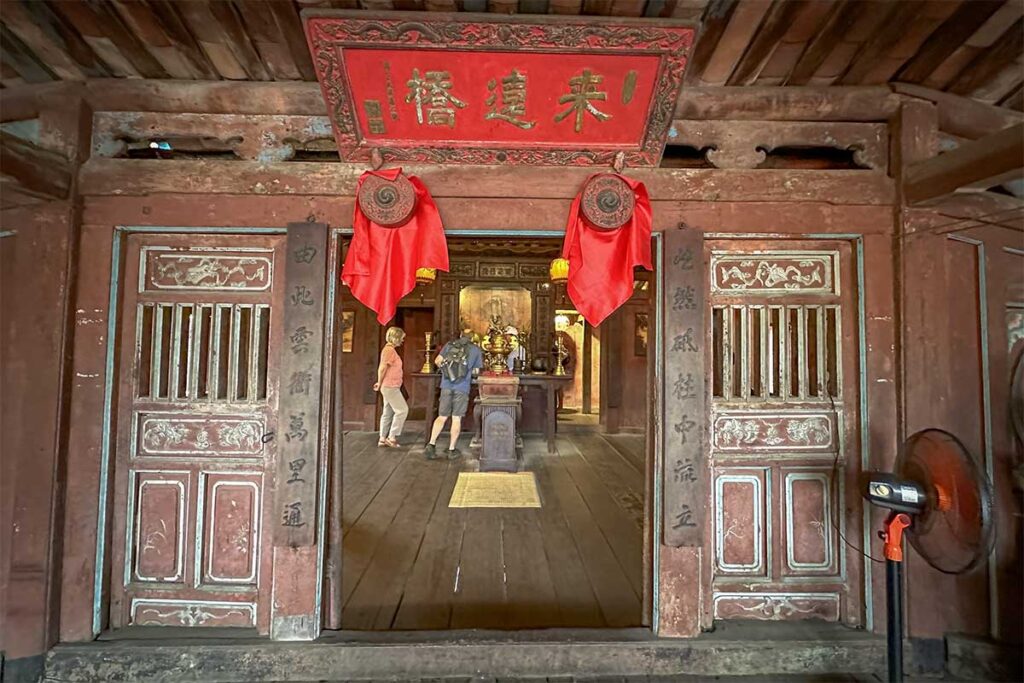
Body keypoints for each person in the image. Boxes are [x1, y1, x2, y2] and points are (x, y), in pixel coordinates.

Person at [426, 327, 483, 460]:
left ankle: (431, 444)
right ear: (473, 337)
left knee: (442, 416)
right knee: (456, 418)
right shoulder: (475, 350)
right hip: (462, 387)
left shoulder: (449, 345)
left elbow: (437, 361)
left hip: (446, 385)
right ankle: (451, 449)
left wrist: (448, 371)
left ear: (461, 335)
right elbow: (476, 371)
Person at [374, 326, 408, 448]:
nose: (403, 340)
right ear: (396, 337)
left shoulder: (389, 350)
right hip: (390, 386)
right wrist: (379, 382)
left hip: (389, 385)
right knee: (402, 410)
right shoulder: (389, 351)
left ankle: (382, 438)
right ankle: (391, 437)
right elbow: (383, 367)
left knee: (388, 412)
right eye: (402, 338)